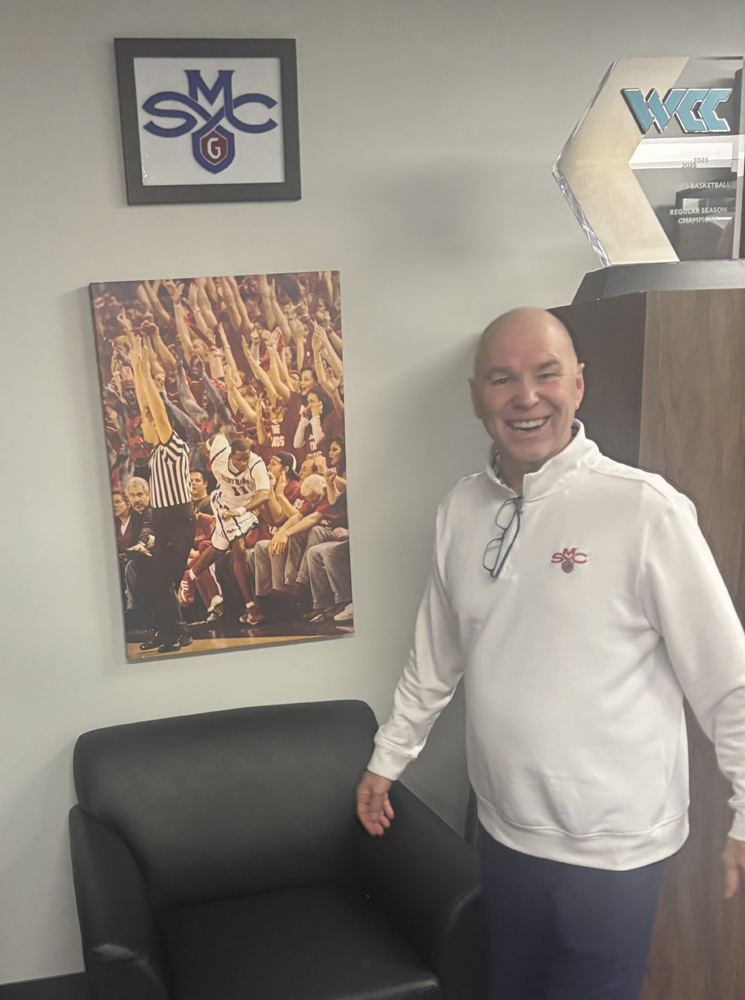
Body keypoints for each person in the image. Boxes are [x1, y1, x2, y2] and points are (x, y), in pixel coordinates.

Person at [355, 307, 745, 1000]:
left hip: (611, 845)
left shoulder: (643, 509)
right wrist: (389, 758)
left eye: (546, 375)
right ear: (476, 396)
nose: (525, 397)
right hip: (504, 831)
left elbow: (727, 681)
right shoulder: (459, 511)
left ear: (578, 384)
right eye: (502, 379)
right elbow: (434, 657)